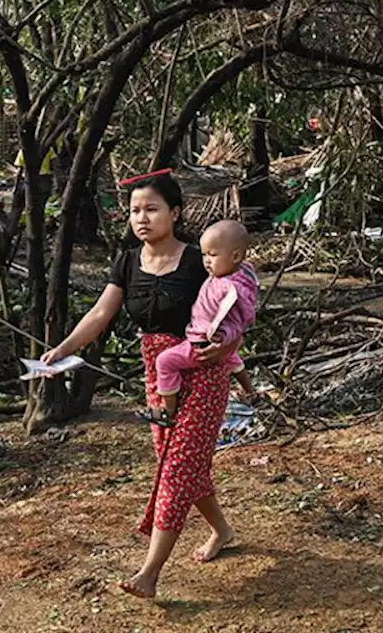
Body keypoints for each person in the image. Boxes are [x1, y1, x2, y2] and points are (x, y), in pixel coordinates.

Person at [41, 171, 241, 600]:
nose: (142, 218)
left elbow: (237, 307)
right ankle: (222, 530)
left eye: (152, 209)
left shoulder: (199, 260)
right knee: (180, 463)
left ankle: (149, 574)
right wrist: (63, 349)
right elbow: (101, 314)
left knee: (177, 469)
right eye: (135, 211)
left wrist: (228, 349)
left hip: (203, 374)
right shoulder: (127, 261)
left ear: (175, 212)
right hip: (158, 376)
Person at [148, 219, 259, 426]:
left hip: (202, 344)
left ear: (235, 256)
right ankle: (251, 391)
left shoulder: (230, 290)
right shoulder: (240, 274)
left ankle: (167, 411)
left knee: (165, 361)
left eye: (213, 255)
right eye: (204, 254)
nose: (207, 261)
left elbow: (240, 317)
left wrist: (222, 336)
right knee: (232, 357)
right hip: (218, 344)